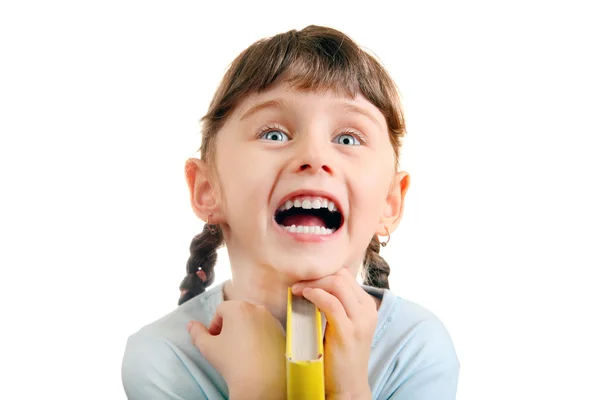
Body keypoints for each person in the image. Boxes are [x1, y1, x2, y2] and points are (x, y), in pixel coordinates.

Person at [122, 25, 460, 399]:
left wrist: (346, 388)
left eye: (347, 139)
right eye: (274, 134)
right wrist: (260, 387)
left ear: (390, 202)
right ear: (207, 190)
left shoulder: (417, 348)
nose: (314, 157)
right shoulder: (163, 356)